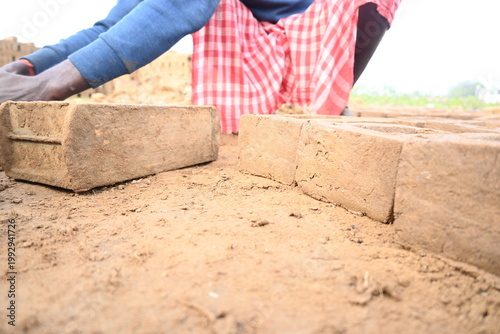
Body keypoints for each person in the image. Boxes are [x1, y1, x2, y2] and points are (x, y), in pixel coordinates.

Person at [0, 0, 401, 133]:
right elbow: (107, 28)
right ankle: (258, 116)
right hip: (249, 61)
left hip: (316, 46)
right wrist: (30, 70)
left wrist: (50, 87)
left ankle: (326, 105)